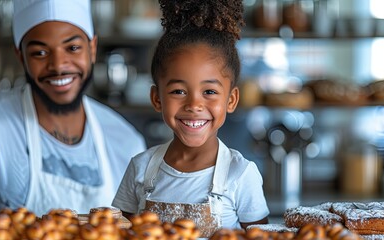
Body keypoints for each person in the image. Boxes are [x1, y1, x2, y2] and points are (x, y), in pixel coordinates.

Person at [0, 0, 146, 229]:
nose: (58, 65)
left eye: (73, 48)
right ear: (21, 56)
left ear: (93, 48)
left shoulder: (127, 142)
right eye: (40, 52)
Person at [112, 0, 269, 237]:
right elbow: (117, 233)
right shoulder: (140, 168)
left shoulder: (240, 174)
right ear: (156, 98)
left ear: (231, 100)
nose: (194, 105)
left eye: (209, 92)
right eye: (178, 91)